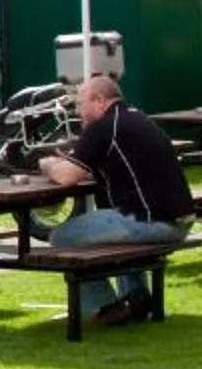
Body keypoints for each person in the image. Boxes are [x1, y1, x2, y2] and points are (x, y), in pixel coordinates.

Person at [36, 74, 193, 327]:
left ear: (99, 101)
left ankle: (107, 307)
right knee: (112, 228)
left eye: (80, 104)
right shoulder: (136, 117)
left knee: (61, 237)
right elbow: (100, 167)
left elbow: (66, 177)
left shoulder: (102, 127)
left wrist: (48, 165)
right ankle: (137, 298)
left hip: (153, 222)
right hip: (177, 219)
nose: (78, 111)